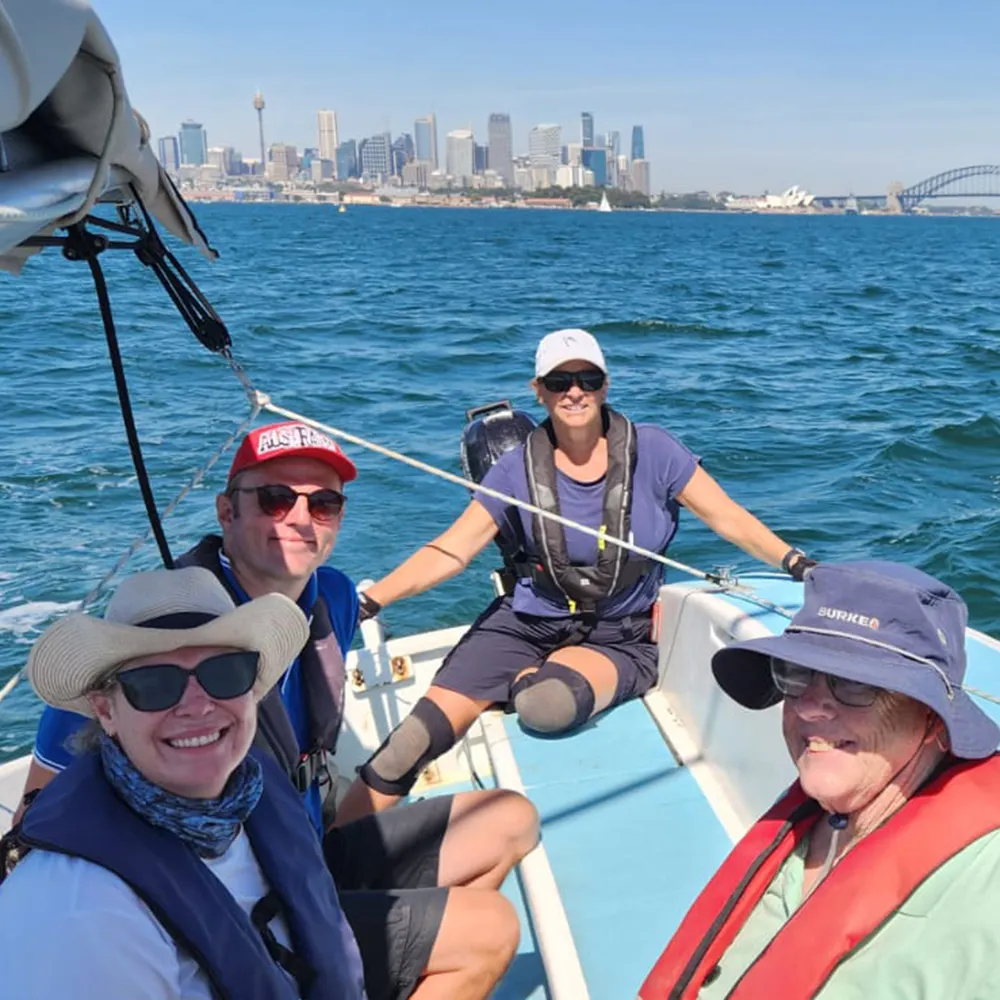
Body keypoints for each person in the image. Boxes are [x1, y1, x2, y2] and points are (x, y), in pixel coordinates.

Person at [16, 420, 536, 1000]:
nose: (297, 518)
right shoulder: (153, 644)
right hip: (224, 891)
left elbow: (378, 599)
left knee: (509, 818)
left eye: (324, 503)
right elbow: (39, 818)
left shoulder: (332, 597)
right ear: (226, 512)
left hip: (300, 850)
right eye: (274, 497)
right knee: (487, 928)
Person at [336, 328, 813, 822]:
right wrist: (367, 602)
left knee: (546, 706)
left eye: (588, 378)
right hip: (526, 622)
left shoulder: (656, 450)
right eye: (559, 381)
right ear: (538, 390)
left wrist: (795, 563)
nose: (575, 391)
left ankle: (525, 681)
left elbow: (727, 517)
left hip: (620, 635)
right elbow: (452, 551)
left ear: (605, 385)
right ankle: (328, 853)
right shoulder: (514, 469)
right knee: (409, 743)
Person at [0, 566, 367, 999]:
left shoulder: (253, 794)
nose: (197, 705)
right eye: (154, 683)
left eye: (225, 672)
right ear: (106, 711)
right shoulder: (76, 912)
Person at [640, 561, 1000, 1000]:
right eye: (797, 675)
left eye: (854, 684)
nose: (810, 707)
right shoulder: (817, 817)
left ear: (931, 719)